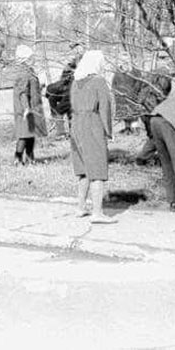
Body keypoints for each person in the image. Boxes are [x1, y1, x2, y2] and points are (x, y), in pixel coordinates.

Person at [70, 50, 115, 224]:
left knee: (83, 169)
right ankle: (97, 213)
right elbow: (105, 108)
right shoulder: (99, 81)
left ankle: (80, 207)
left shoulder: (76, 82)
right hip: (92, 123)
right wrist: (109, 132)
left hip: (76, 123)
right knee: (97, 167)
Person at [12, 45, 47, 165]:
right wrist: (26, 108)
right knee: (24, 134)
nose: (33, 59)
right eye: (31, 57)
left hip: (32, 107)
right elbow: (22, 92)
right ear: (25, 58)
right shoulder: (23, 72)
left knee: (31, 134)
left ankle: (30, 157)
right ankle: (17, 158)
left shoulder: (29, 70)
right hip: (26, 109)